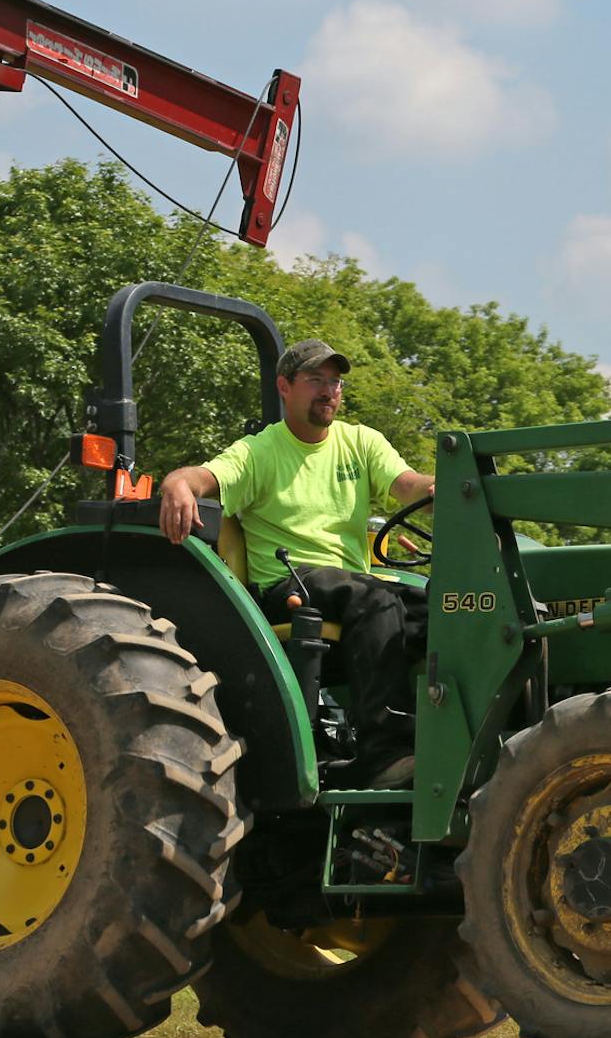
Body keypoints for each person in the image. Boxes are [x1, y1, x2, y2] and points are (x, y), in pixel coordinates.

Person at [157, 337, 434, 786]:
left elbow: (407, 485)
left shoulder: (361, 443)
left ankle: (445, 740)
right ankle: (384, 755)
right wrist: (177, 483)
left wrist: (441, 488)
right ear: (284, 387)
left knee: (446, 608)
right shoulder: (260, 451)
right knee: (376, 600)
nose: (329, 391)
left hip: (352, 586)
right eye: (316, 381)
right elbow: (204, 478)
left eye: (335, 382)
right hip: (287, 585)